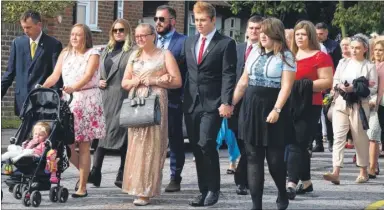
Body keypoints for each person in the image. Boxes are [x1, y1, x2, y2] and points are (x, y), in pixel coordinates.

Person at [232, 17, 296, 210]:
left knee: (275, 159)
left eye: (266, 32)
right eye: (260, 32)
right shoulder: (254, 53)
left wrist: (277, 109)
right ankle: (256, 204)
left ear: (276, 34)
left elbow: (286, 86)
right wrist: (230, 104)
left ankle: (282, 192)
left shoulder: (286, 56)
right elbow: (243, 81)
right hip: (251, 108)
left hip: (273, 107)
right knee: (252, 157)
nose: (262, 35)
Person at [181, 1, 237, 207]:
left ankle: (214, 189)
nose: (199, 24)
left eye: (203, 20)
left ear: (213, 20)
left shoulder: (225, 43)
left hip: (213, 103)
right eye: (196, 20)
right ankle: (202, 190)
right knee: (197, 147)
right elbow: (184, 70)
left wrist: (226, 102)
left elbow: (228, 74)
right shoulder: (189, 42)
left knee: (206, 143)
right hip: (191, 103)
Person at [121, 23, 182, 206]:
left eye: (143, 35)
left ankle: (147, 190)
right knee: (136, 144)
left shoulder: (165, 54)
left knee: (152, 145)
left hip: (155, 101)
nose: (139, 38)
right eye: (137, 35)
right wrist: (135, 81)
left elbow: (177, 81)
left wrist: (155, 80)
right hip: (136, 102)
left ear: (153, 36)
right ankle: (135, 186)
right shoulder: (134, 55)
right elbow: (124, 82)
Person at [42, 23, 105, 198]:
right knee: (67, 145)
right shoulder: (65, 53)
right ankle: (87, 173)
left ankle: (82, 186)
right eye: (72, 35)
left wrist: (73, 88)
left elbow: (87, 76)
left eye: (78, 35)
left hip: (86, 100)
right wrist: (41, 87)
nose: (74, 38)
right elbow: (55, 75)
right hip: (68, 102)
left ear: (86, 37)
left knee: (84, 146)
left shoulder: (93, 54)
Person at [286, 20, 333, 200]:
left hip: (310, 104)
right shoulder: (288, 56)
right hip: (289, 104)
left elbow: (327, 81)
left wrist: (301, 86)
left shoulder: (320, 57)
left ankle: (290, 182)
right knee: (298, 143)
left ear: (310, 36)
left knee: (296, 143)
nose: (299, 37)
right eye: (297, 34)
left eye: (303, 34)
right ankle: (306, 182)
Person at [323, 33, 377, 184]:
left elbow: (373, 88)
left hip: (359, 105)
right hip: (341, 102)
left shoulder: (369, 66)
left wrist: (356, 88)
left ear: (365, 49)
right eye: (352, 47)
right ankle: (336, 171)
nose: (353, 50)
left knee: (359, 137)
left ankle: (363, 170)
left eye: (357, 48)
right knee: (338, 137)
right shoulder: (342, 63)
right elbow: (335, 80)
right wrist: (339, 86)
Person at [88, 19, 135, 189]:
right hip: (104, 98)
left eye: (121, 30)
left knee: (123, 136)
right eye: (115, 30)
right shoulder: (105, 50)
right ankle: (95, 173)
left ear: (127, 31)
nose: (118, 33)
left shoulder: (133, 51)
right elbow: (94, 72)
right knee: (101, 135)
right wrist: (98, 80)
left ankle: (122, 172)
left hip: (123, 97)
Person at [1, 10, 63, 116]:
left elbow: (56, 76)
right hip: (22, 101)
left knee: (40, 133)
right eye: (23, 27)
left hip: (43, 101)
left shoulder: (53, 45)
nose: (25, 30)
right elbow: (9, 73)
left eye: (28, 27)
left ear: (39, 25)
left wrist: (57, 101)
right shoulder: (18, 43)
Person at [230, 15, 264, 196]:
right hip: (236, 102)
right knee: (241, 142)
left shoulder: (267, 50)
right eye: (251, 28)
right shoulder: (237, 48)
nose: (254, 32)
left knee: (250, 144)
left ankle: (243, 179)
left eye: (258, 28)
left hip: (256, 102)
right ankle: (247, 175)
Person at [154, 5, 187, 192]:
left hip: (174, 98)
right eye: (156, 19)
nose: (158, 23)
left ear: (172, 21)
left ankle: (175, 177)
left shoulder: (183, 42)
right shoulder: (151, 41)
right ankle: (153, 176)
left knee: (175, 139)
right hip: (151, 99)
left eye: (162, 19)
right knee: (153, 140)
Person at [314, 22, 341, 152]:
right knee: (315, 115)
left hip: (328, 84)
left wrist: (334, 85)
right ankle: (318, 142)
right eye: (316, 34)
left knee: (327, 112)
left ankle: (331, 140)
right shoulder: (312, 46)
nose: (318, 36)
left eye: (321, 34)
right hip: (316, 83)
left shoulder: (334, 46)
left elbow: (336, 66)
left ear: (326, 32)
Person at [366, 39, 384, 177]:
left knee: (375, 134)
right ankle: (373, 164)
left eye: (381, 50)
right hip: (370, 102)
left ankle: (373, 165)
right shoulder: (370, 65)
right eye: (376, 50)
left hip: (380, 102)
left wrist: (376, 103)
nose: (378, 53)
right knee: (371, 135)